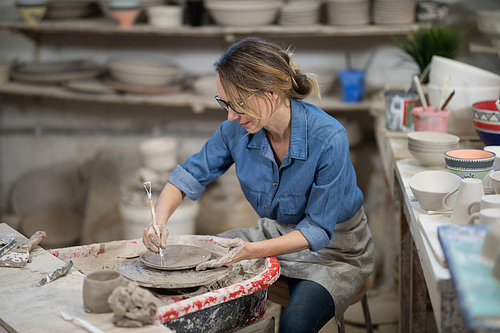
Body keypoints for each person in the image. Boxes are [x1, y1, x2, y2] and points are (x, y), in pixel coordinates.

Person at [142, 37, 374, 333]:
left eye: (238, 105)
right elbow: (187, 176)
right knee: (192, 277)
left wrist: (252, 250)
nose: (230, 115)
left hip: (335, 251)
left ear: (272, 94)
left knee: (295, 324)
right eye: (224, 103)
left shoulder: (329, 139)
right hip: (274, 235)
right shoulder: (236, 130)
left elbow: (317, 229)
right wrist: (158, 221)